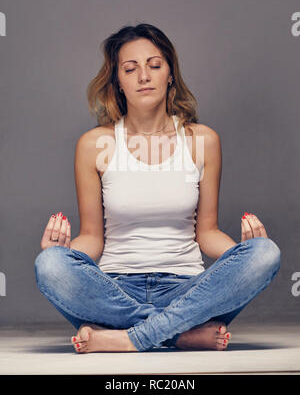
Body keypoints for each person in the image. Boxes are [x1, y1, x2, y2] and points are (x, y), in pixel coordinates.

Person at [34, 23, 281, 353]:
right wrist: (61, 253)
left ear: (170, 75)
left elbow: (206, 232)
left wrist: (242, 257)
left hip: (189, 290)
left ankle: (127, 338)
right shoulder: (94, 145)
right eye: (130, 69)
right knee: (49, 265)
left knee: (267, 253)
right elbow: (93, 236)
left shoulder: (203, 141)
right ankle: (180, 334)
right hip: (115, 291)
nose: (144, 77)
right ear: (118, 82)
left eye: (154, 65)